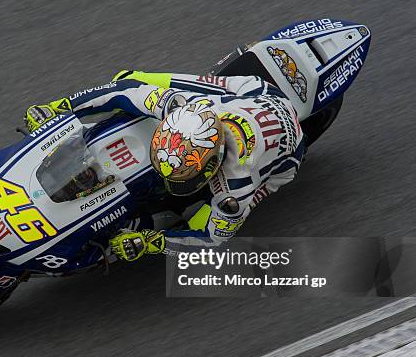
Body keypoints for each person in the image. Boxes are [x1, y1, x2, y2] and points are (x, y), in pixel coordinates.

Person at [25, 70, 305, 261]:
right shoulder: (183, 105)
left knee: (198, 218)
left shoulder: (236, 187)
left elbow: (212, 242)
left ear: (213, 165)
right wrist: (59, 108)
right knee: (132, 77)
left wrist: (152, 243)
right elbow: (122, 91)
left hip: (288, 154)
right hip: (254, 93)